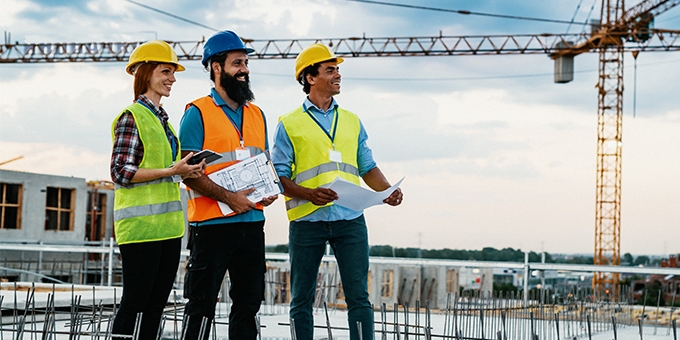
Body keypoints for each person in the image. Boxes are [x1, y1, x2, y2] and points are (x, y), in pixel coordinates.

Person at [271, 43, 403, 340]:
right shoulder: (289, 124)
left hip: (350, 219)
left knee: (359, 297)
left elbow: (368, 167)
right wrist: (308, 194)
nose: (337, 75)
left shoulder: (352, 121)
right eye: (330, 70)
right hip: (307, 221)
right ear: (309, 77)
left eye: (338, 69)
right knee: (301, 298)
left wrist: (387, 191)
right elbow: (278, 177)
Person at [179, 30, 278, 340]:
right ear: (216, 68)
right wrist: (229, 198)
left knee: (249, 303)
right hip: (211, 226)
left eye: (246, 63)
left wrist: (268, 188)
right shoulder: (197, 113)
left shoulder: (257, 114)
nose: (245, 70)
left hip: (252, 223)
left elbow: (262, 161)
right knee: (202, 305)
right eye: (237, 63)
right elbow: (188, 172)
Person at [110, 40, 203, 340]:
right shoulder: (132, 116)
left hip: (167, 229)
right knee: (135, 303)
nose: (172, 79)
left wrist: (187, 169)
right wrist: (171, 171)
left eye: (173, 73)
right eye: (166, 71)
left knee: (155, 307)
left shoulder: (163, 121)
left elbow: (167, 170)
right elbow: (120, 171)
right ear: (146, 73)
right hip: (141, 230)